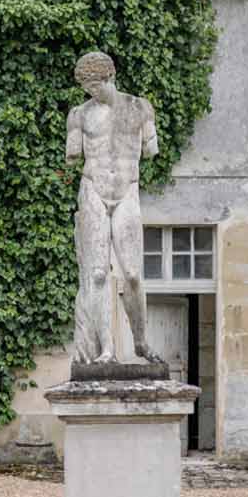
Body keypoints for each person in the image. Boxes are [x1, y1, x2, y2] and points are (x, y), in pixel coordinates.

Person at [65, 50, 159, 365]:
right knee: (96, 274)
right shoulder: (79, 114)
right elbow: (74, 155)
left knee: (132, 273)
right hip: (92, 189)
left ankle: (141, 342)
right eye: (87, 87)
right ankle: (107, 349)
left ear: (110, 77)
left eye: (97, 85)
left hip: (127, 190)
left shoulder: (139, 108)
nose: (93, 92)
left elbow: (151, 150)